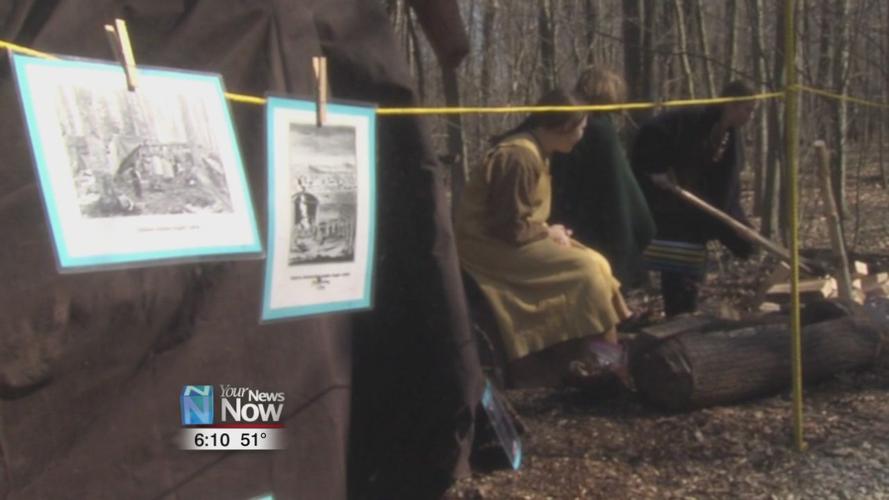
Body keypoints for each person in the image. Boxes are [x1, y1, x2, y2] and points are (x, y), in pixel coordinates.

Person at [456, 88, 632, 388]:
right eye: (581, 127)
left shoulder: (537, 151)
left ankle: (600, 355)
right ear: (564, 126)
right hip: (486, 246)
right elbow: (506, 225)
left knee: (597, 263)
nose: (582, 134)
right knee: (586, 271)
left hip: (512, 236)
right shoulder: (518, 156)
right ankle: (602, 362)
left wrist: (548, 231)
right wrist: (547, 232)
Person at [631, 80, 758, 317]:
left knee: (691, 271)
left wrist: (740, 228)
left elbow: (726, 190)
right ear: (730, 104)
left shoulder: (730, 137)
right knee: (678, 269)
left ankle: (684, 318)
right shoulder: (692, 119)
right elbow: (650, 132)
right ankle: (676, 322)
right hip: (670, 207)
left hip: (696, 210)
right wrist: (656, 169)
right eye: (747, 109)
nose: (749, 116)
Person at [551, 68, 656, 287]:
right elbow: (616, 184)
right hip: (594, 217)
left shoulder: (580, 124)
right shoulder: (595, 128)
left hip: (576, 213)